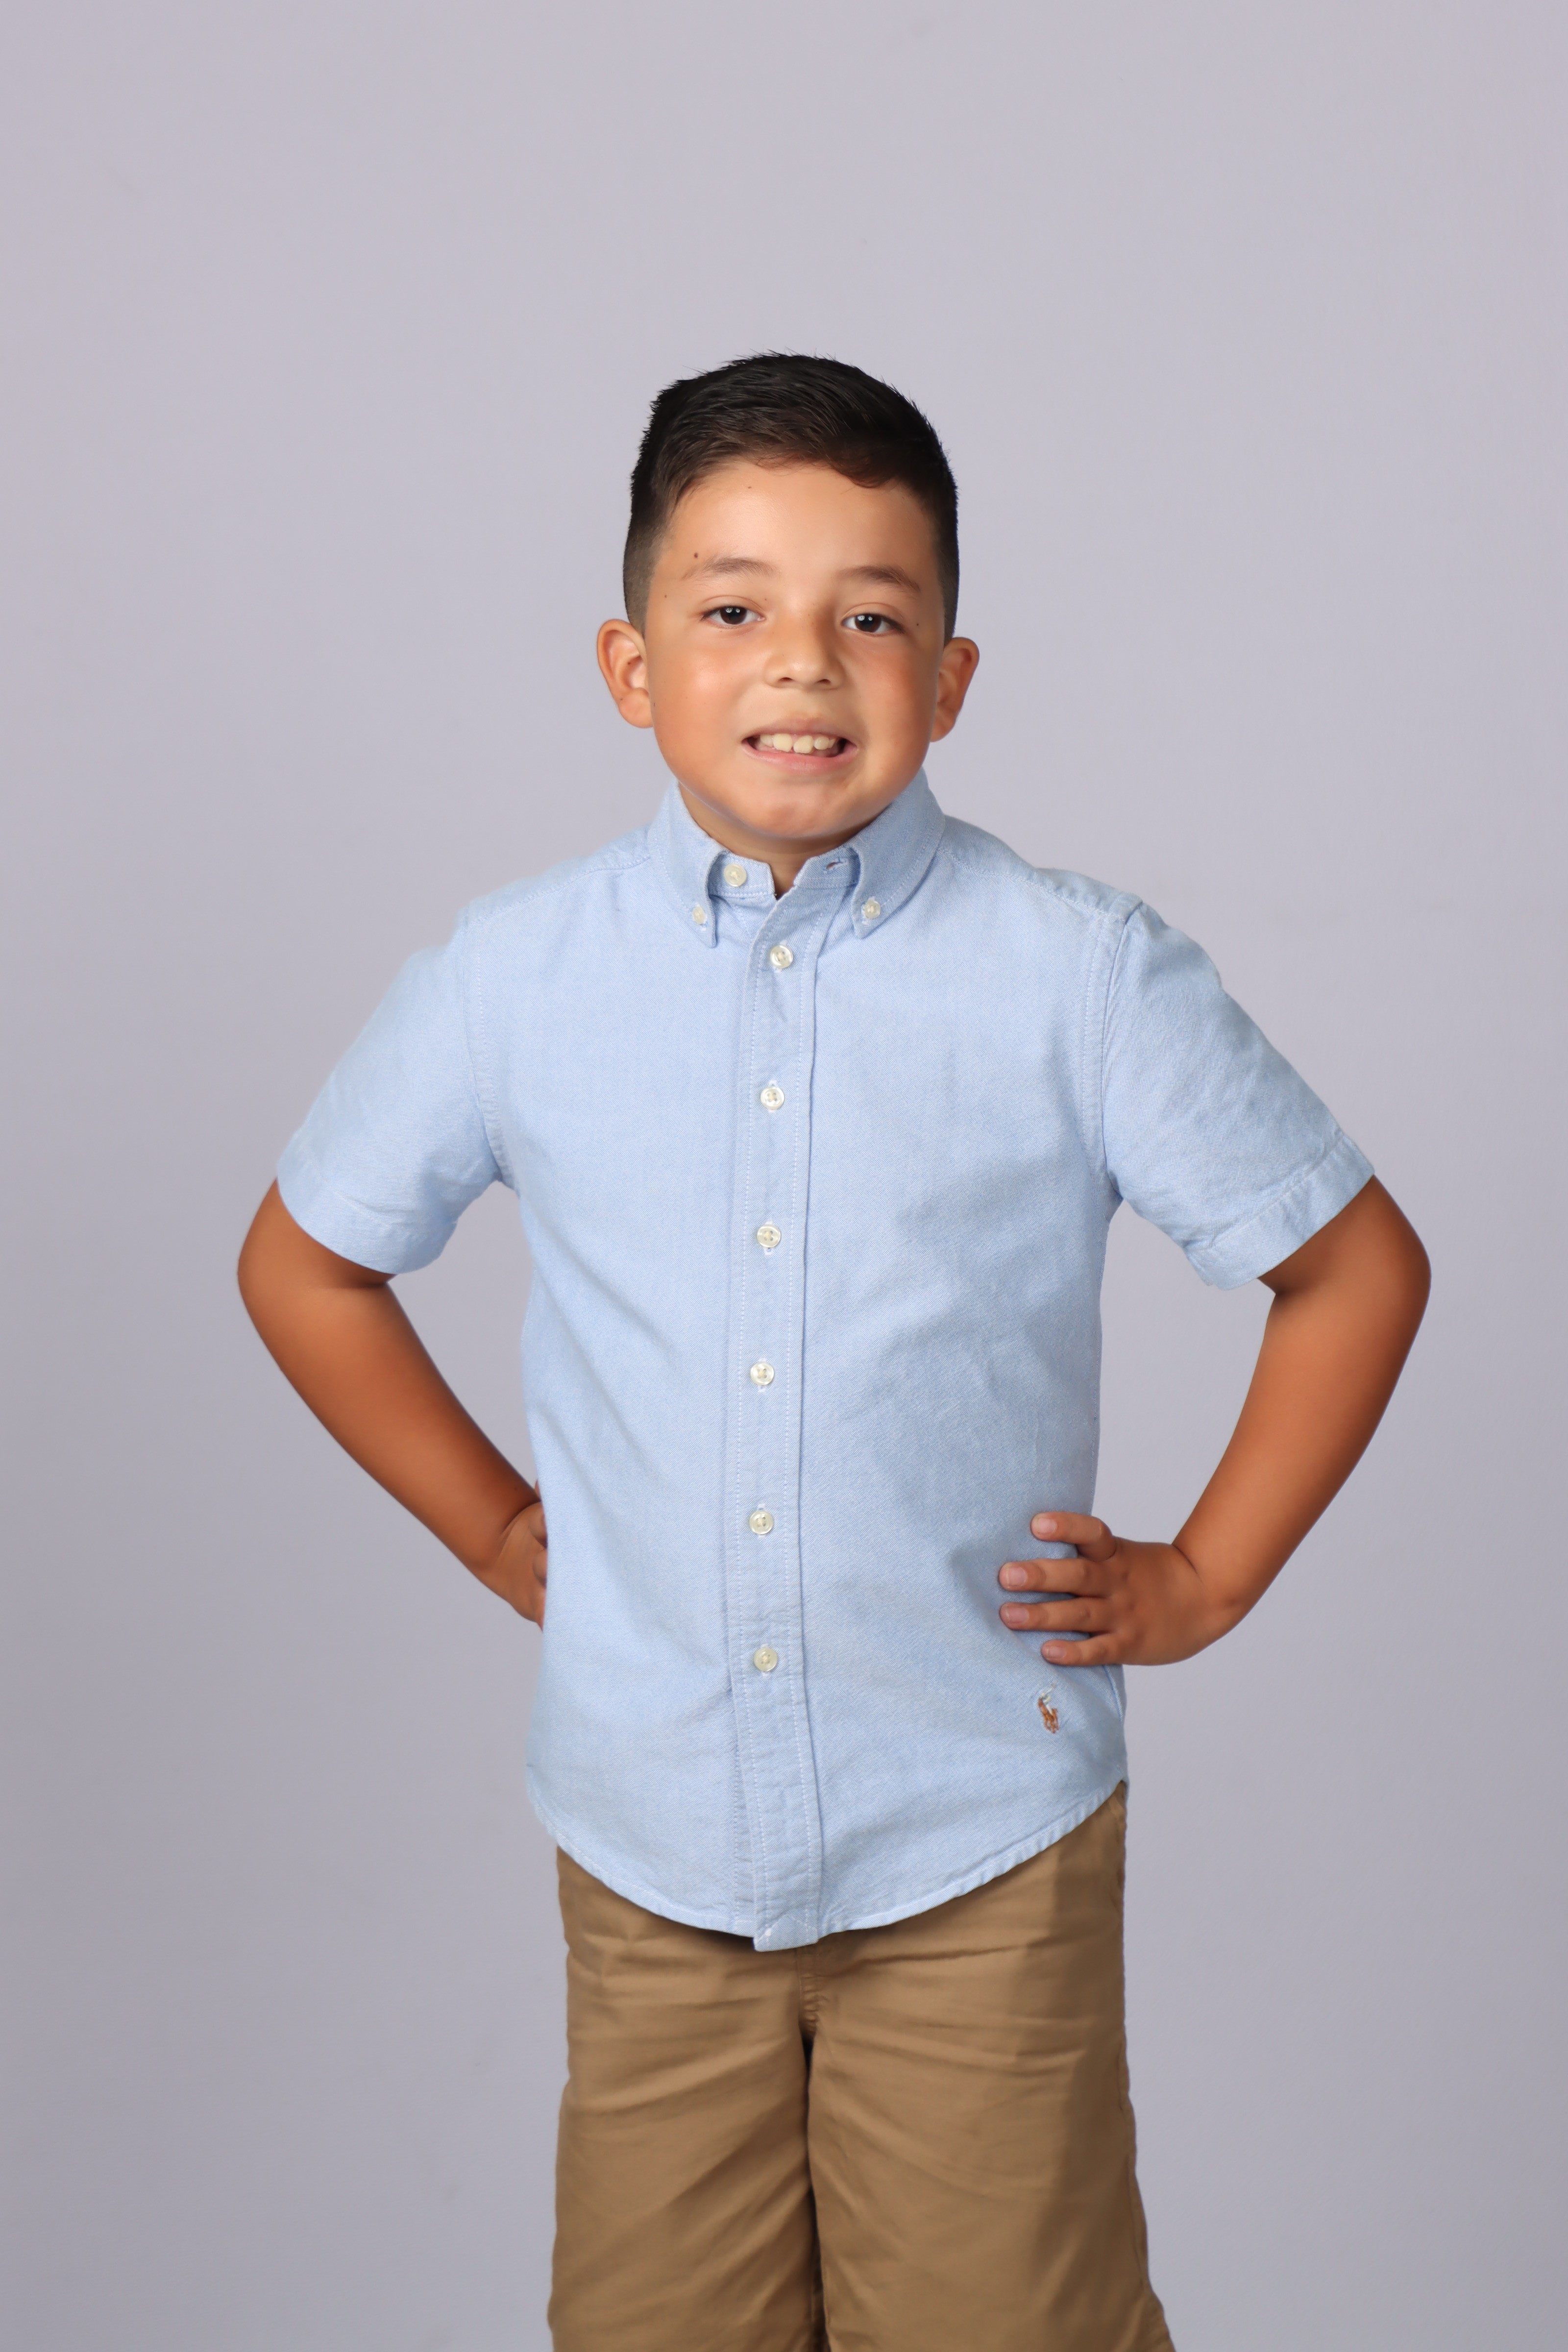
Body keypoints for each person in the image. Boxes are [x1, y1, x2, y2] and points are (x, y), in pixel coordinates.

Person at [238, 353, 1429, 2352]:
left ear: (948, 680)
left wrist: (1207, 1576)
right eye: (734, 608)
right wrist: (493, 1527)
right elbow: (304, 1266)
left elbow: (1354, 1270)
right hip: (649, 1847)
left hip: (977, 1840)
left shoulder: (1077, 976)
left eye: (870, 616)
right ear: (631, 668)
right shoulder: (512, 980)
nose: (802, 660)